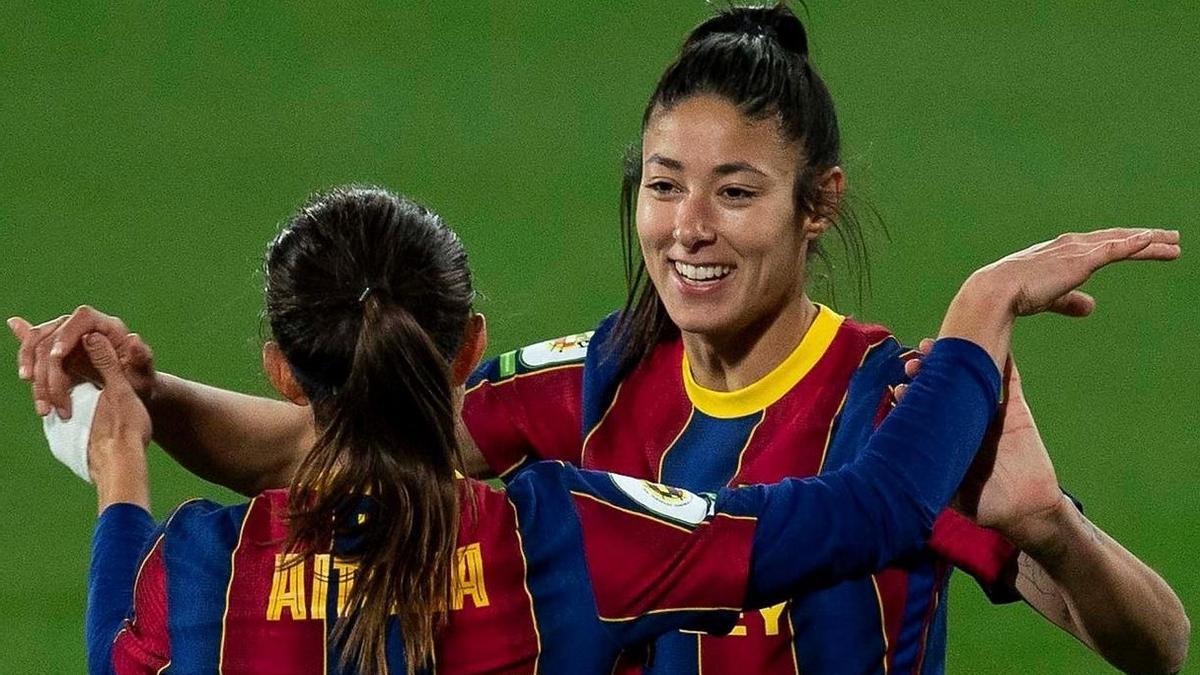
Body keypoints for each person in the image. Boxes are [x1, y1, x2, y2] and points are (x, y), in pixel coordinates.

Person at [15, 5, 1189, 674]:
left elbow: (1156, 642)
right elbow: (331, 445)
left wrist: (1052, 532)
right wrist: (146, 391)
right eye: (665, 185)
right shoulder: (579, 385)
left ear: (814, 205)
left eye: (735, 192)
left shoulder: (901, 407)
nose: (688, 229)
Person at [63, 184, 1079, 673]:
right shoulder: (563, 540)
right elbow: (876, 509)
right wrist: (981, 313)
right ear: (471, 353)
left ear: (279, 368)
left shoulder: (201, 563)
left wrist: (122, 481)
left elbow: (116, 652)